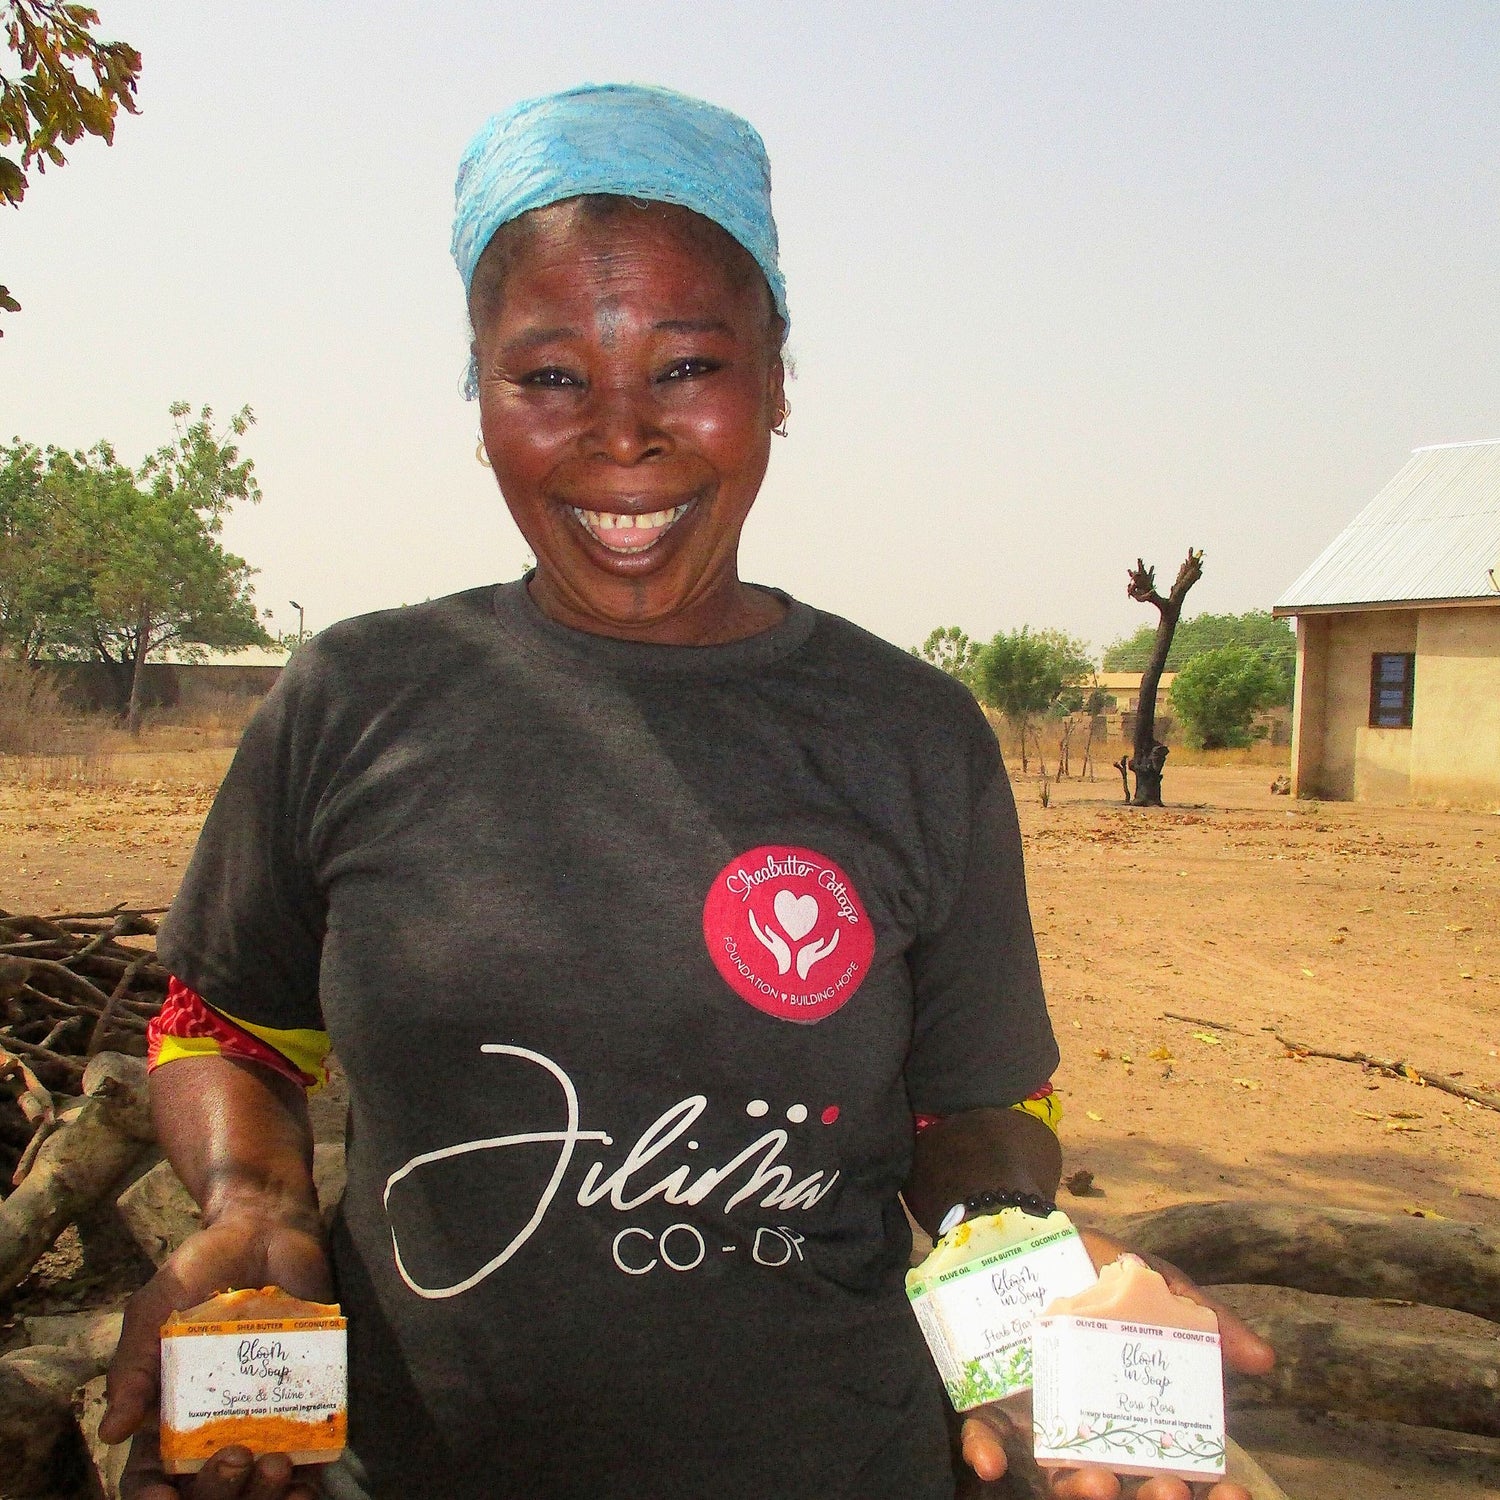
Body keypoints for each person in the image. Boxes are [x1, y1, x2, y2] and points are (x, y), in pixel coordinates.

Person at [100, 84, 1273, 1500]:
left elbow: (975, 1114)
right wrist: (251, 1203)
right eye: (547, 377)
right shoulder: (352, 700)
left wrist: (1022, 1284)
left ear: (779, 378)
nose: (622, 436)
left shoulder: (912, 736)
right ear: (476, 399)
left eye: (685, 366)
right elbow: (220, 1023)